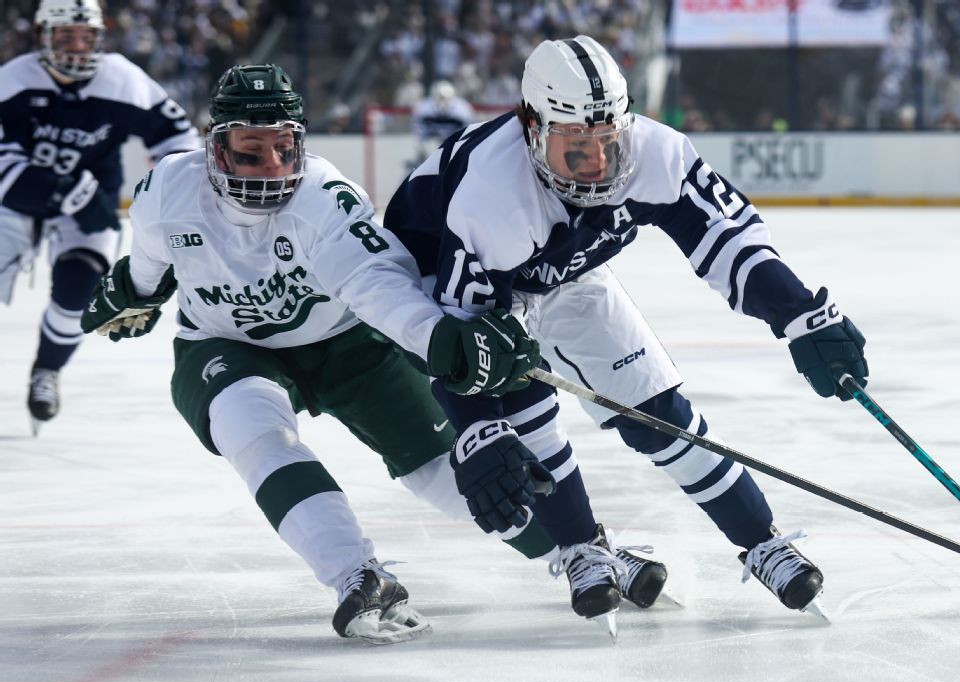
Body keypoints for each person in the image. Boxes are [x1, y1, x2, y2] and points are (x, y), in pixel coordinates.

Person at [80, 63, 663, 643]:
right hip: (225, 344)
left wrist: (441, 340)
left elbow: (373, 282)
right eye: (250, 152)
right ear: (215, 148)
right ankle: (356, 575)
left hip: (348, 342)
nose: (272, 169)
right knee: (252, 428)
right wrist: (129, 292)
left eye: (284, 148)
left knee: (449, 478)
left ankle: (585, 547)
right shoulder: (168, 191)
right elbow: (148, 270)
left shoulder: (324, 199)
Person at [384, 36, 869, 624]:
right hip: (456, 282)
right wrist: (478, 431)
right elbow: (464, 344)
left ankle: (760, 539)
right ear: (531, 127)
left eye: (608, 143)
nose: (596, 165)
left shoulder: (656, 153)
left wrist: (801, 315)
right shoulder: (491, 195)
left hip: (565, 269)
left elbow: (729, 240)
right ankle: (581, 545)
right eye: (575, 148)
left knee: (660, 414)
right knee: (525, 414)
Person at [0, 0, 200, 434]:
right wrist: (66, 190)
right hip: (16, 202)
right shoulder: (13, 79)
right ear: (42, 37)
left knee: (79, 291)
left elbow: (178, 139)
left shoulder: (122, 78)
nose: (77, 45)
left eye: (85, 36)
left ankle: (47, 371)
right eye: (65, 35)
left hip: (89, 207)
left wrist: (174, 193)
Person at [411, 80, 473, 163]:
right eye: (440, 97)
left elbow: (468, 132)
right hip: (430, 144)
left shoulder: (462, 108)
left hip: (454, 144)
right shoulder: (423, 107)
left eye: (445, 98)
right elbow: (418, 132)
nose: (443, 101)